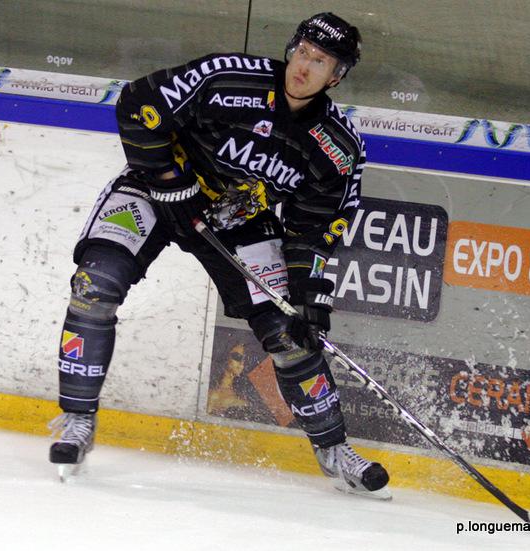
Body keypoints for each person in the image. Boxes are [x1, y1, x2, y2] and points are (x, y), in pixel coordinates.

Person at [49, 12, 390, 499]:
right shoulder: (227, 78)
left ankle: (335, 449)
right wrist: (170, 181)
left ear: (336, 77)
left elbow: (313, 229)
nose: (303, 66)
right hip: (157, 190)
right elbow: (139, 103)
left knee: (290, 334)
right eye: (302, 52)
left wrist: (305, 291)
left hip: (238, 222)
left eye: (320, 62)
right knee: (94, 285)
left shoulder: (337, 148)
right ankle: (77, 420)